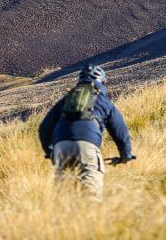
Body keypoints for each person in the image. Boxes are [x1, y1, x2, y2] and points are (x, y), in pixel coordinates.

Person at [37, 64, 134, 197]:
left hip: (61, 147)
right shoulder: (103, 101)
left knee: (64, 195)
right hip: (87, 146)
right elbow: (120, 132)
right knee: (90, 196)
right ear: (103, 82)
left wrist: (50, 152)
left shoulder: (66, 100)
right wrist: (125, 155)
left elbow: (44, 128)